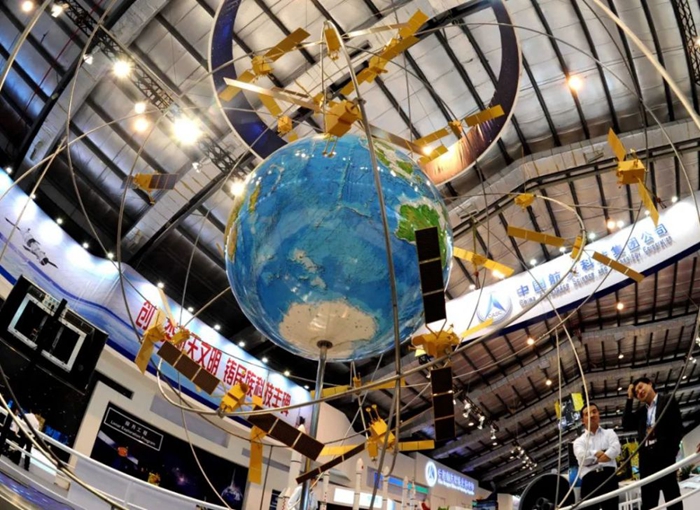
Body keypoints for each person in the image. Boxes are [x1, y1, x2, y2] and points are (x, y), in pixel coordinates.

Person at [623, 377, 684, 510]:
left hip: (665, 458)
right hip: (646, 462)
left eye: (640, 387)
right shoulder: (642, 413)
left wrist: (671, 454)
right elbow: (626, 424)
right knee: (648, 503)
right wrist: (629, 398)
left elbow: (677, 428)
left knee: (673, 498)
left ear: (650, 384)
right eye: (636, 392)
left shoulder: (667, 401)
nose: (639, 392)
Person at [572, 403, 621, 510]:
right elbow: (582, 458)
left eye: (594, 412)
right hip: (589, 480)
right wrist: (597, 453)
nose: (591, 415)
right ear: (582, 420)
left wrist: (591, 457)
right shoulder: (578, 442)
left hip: (609, 477)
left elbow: (616, 449)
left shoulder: (610, 433)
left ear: (599, 414)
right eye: (587, 414)